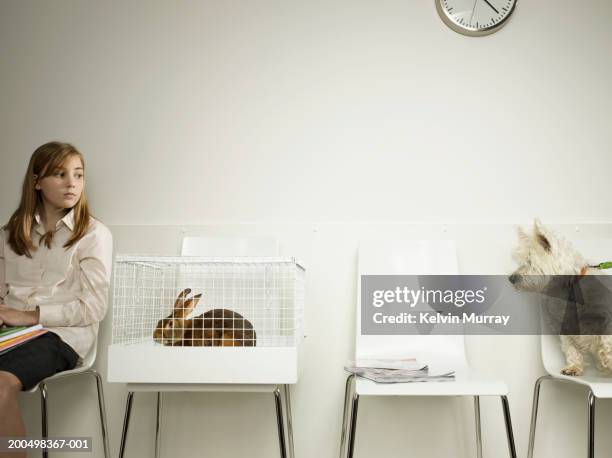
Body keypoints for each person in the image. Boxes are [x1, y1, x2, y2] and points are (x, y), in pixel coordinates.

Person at [0, 142, 112, 456]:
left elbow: (93, 307)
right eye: (60, 174)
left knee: (0, 384)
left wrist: (28, 316)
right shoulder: (10, 234)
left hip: (60, 336)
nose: (71, 183)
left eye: (78, 175)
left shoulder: (93, 235)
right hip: (10, 332)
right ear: (37, 181)